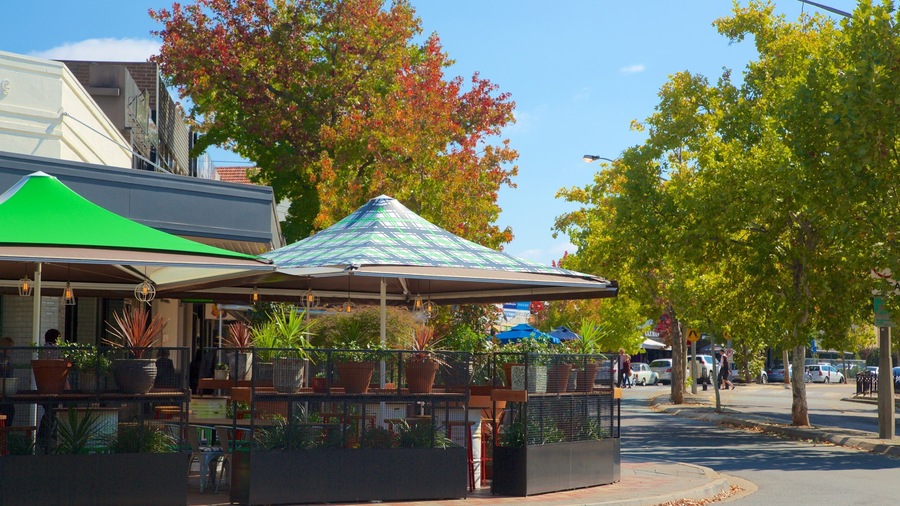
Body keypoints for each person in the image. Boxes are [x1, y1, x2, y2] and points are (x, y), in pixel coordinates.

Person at [0, 336, 15, 423]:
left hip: (6, 390)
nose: (12, 351)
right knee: (9, 412)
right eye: (11, 348)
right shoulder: (5, 360)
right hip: (5, 391)